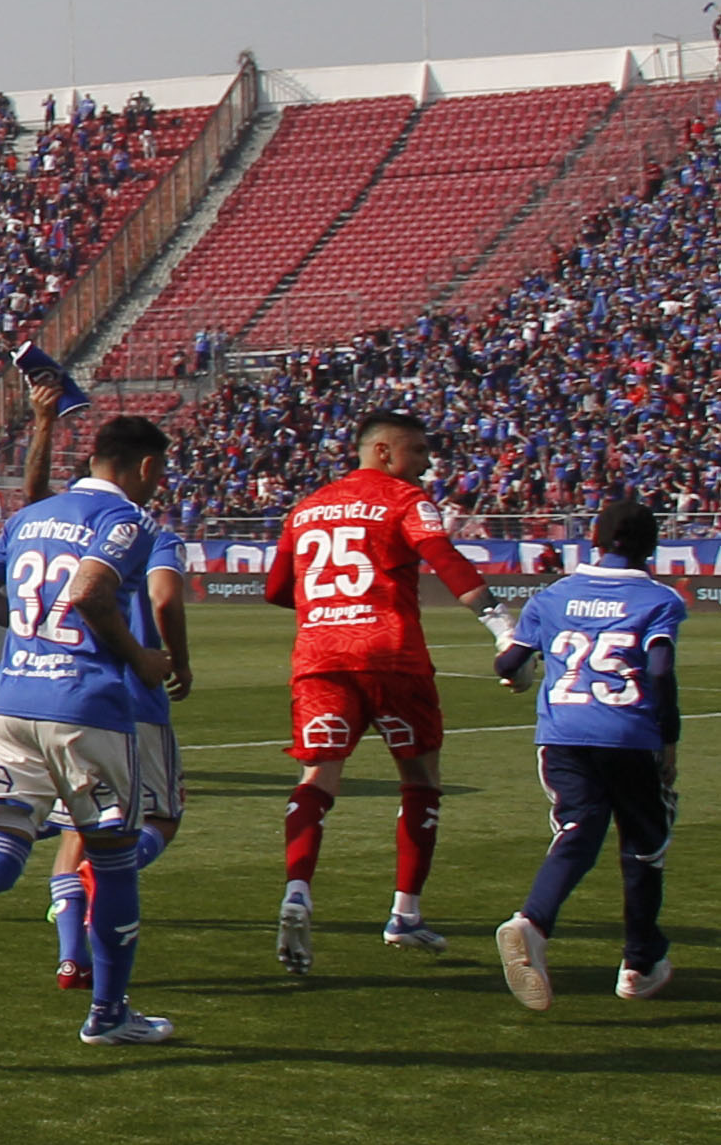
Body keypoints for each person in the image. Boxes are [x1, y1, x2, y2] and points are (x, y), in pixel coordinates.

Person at [0, 413, 182, 1047]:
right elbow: (94, 593)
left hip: (10, 701)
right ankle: (109, 1014)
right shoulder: (127, 520)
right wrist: (140, 658)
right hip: (85, 708)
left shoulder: (29, 518)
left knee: (1, 848)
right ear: (146, 467)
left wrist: (27, 628)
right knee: (116, 861)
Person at [260, 408, 510, 970]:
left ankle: (297, 890)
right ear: (383, 453)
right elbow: (443, 557)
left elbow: (277, 588)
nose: (425, 463)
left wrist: (329, 608)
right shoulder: (403, 499)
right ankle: (405, 915)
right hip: (392, 656)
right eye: (417, 452)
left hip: (320, 658)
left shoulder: (305, 508)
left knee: (318, 776)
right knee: (420, 778)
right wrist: (500, 625)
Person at [12, 393, 190, 997]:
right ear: (144, 468)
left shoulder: (65, 521)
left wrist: (40, 421)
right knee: (158, 819)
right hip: (124, 695)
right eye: (159, 470)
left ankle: (70, 957)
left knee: (75, 828)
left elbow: (33, 501)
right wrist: (174, 664)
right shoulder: (145, 531)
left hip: (58, 691)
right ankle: (102, 894)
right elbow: (163, 599)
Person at [491, 494, 681, 1008]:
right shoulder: (659, 600)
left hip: (562, 736)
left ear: (593, 540)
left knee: (577, 829)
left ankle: (531, 921)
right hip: (628, 734)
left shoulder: (552, 596)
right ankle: (639, 963)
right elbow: (660, 673)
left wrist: (513, 661)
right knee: (645, 844)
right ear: (652, 547)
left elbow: (509, 664)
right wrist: (669, 740)